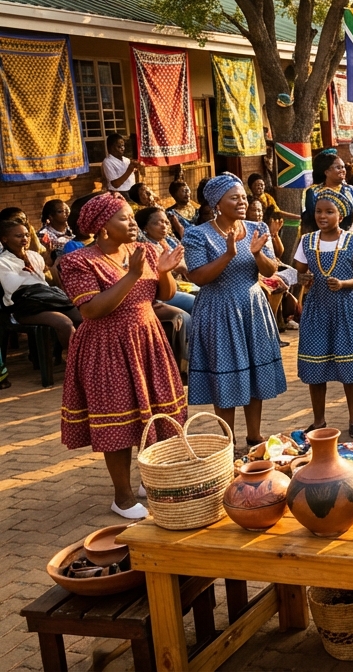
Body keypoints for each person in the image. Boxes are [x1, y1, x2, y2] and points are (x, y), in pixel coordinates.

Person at [58, 193, 185, 518]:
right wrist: (131, 275)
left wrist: (164, 271)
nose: (132, 223)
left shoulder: (143, 250)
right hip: (107, 347)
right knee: (118, 419)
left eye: (131, 217)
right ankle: (123, 497)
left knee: (156, 411)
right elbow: (91, 309)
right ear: (102, 227)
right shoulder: (79, 261)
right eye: (124, 218)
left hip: (148, 339)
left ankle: (148, 478)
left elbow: (165, 294)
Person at [184, 173, 287, 447]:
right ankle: (227, 442)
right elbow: (198, 277)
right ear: (217, 203)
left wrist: (257, 253)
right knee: (225, 374)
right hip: (218, 310)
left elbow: (270, 270)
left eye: (243, 197)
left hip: (252, 307)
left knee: (253, 371)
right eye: (234, 198)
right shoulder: (198, 234)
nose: (242, 202)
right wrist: (228, 254)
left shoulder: (257, 228)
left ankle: (254, 435)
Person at [293, 188, 353, 438]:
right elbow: (299, 270)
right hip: (317, 309)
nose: (322, 216)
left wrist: (344, 284)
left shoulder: (352, 241)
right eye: (319, 211)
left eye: (329, 212)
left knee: (350, 366)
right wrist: (303, 278)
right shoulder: (307, 241)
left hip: (347, 308)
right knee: (315, 366)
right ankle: (318, 420)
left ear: (340, 216)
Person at [0, 219, 82, 353]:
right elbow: (13, 287)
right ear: (5, 239)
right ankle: (75, 359)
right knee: (64, 323)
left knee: (83, 317)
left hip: (47, 300)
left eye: (26, 235)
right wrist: (28, 275)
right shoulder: (2, 262)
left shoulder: (33, 256)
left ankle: (87, 355)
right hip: (25, 307)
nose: (25, 239)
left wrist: (48, 257)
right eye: (18, 236)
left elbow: (45, 278)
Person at [303, 150, 353, 234]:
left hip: (349, 234)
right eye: (338, 168)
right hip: (322, 236)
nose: (342, 170)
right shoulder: (314, 192)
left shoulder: (351, 190)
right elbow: (311, 217)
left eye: (343, 167)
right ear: (327, 172)